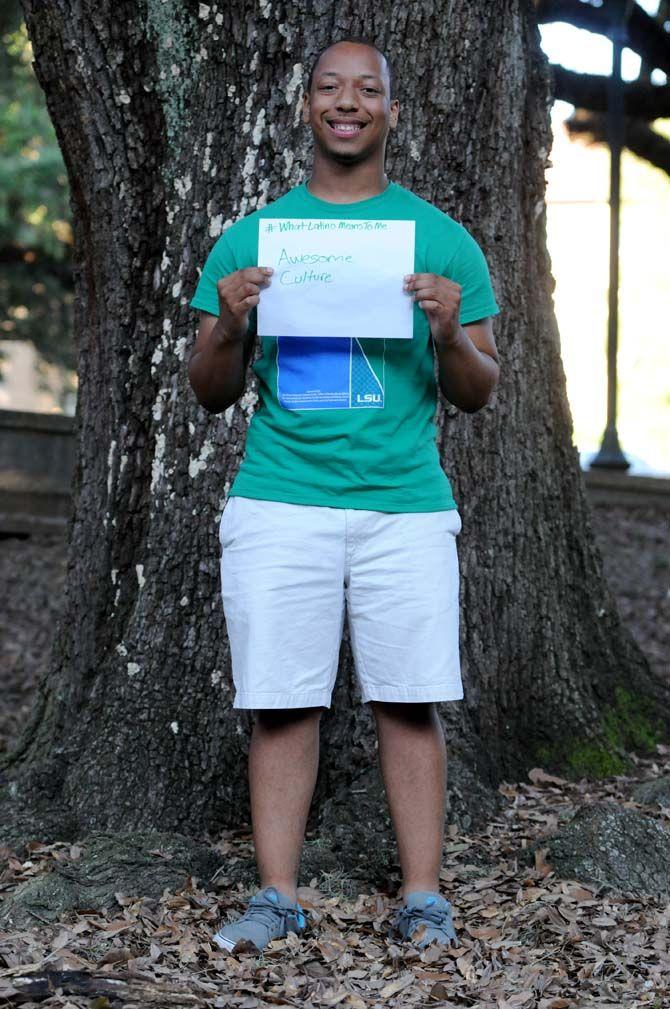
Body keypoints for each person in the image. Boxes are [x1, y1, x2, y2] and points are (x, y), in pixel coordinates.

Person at [188, 37, 500, 954]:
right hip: (282, 497)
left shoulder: (441, 240)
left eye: (369, 89)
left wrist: (447, 330)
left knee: (410, 698)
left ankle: (423, 897)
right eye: (331, 87)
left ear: (393, 112)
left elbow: (481, 389)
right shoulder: (254, 240)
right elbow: (208, 388)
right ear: (306, 107)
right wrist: (231, 322)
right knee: (282, 701)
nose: (349, 101)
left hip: (403, 502)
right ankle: (278, 895)